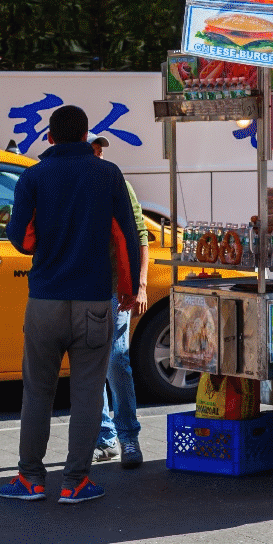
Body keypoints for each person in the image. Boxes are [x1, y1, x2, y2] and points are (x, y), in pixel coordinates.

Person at [0, 106, 141, 503]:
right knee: (88, 394)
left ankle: (29, 479)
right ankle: (76, 482)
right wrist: (128, 291)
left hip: (45, 300)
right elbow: (126, 237)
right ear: (85, 137)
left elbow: (22, 240)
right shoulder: (107, 173)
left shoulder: (32, 176)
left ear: (49, 137)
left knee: (37, 392)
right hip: (95, 300)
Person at [89, 136, 149, 469]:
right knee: (91, 364)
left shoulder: (118, 184)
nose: (98, 156)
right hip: (83, 288)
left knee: (116, 359)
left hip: (115, 287)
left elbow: (141, 235)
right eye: (92, 151)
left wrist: (140, 286)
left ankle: (127, 437)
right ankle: (105, 437)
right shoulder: (71, 184)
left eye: (99, 151)